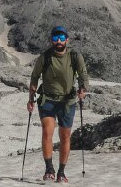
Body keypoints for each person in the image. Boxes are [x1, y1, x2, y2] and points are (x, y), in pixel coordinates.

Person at [27, 25, 89, 183]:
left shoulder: (75, 56)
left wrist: (83, 88)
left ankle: (61, 171)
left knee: (65, 136)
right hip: (47, 100)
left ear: (67, 40)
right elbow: (34, 76)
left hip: (67, 101)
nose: (59, 41)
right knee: (47, 132)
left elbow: (83, 75)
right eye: (56, 38)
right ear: (51, 40)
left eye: (62, 38)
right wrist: (31, 97)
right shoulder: (45, 57)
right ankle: (49, 169)